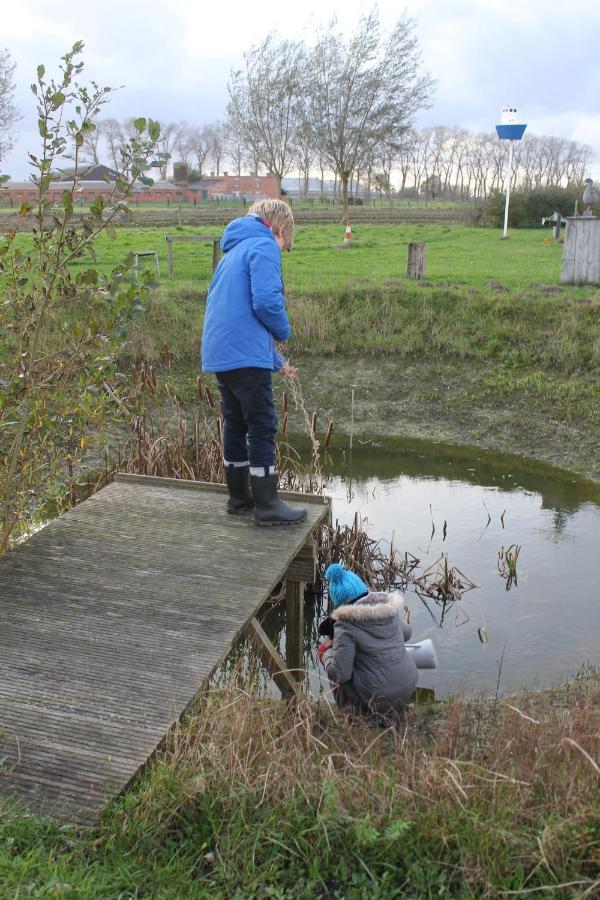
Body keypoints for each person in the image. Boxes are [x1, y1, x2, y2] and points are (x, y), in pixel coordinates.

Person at [201, 199, 306, 526]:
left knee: (235, 422)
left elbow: (238, 318)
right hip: (243, 355)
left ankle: (239, 498)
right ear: (278, 229)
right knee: (261, 424)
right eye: (285, 243)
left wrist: (276, 361)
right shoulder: (263, 246)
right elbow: (264, 302)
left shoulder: (232, 252)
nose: (283, 251)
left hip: (221, 353)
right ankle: (267, 505)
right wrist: (283, 331)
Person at [317, 563, 418, 717]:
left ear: (339, 601)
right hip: (407, 688)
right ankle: (393, 708)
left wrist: (326, 653)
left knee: (334, 662)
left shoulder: (345, 625)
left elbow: (340, 674)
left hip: (378, 698)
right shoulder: (388, 610)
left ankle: (356, 716)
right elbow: (407, 633)